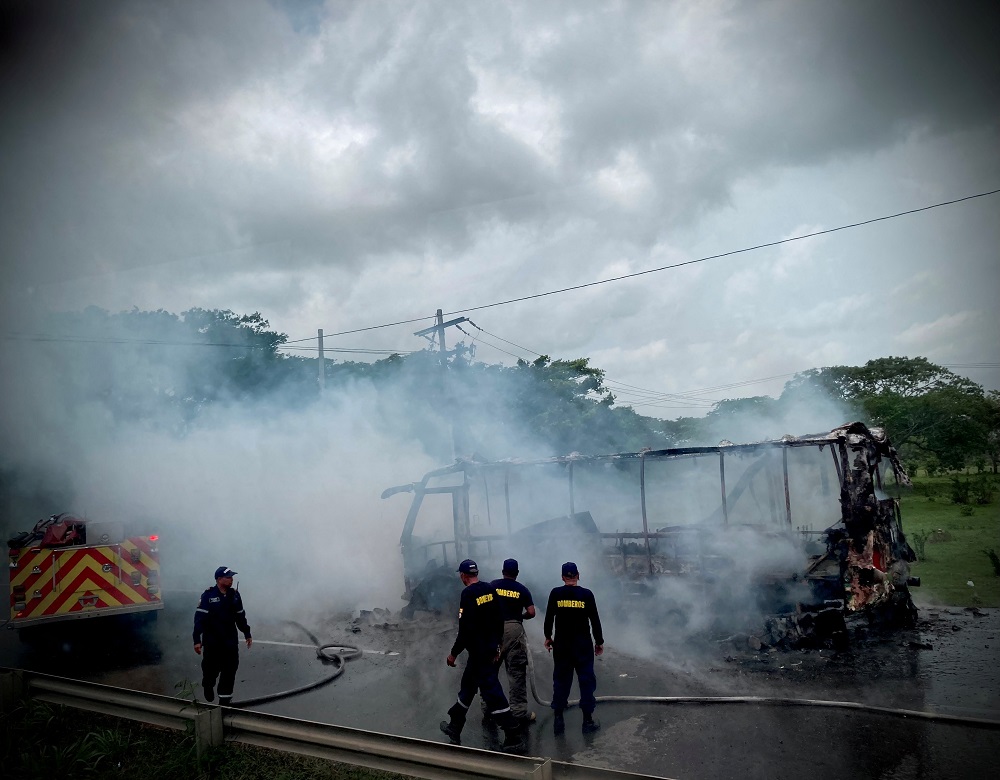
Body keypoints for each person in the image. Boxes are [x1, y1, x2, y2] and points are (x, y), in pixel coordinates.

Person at [440, 559, 525, 751]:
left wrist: (453, 654)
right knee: (468, 686)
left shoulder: (467, 594)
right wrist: (497, 647)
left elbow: (464, 630)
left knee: (492, 692)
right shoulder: (489, 589)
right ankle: (455, 725)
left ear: (463, 575)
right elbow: (498, 620)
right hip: (487, 650)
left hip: (479, 654)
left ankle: (513, 735)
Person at [543, 561, 604, 734]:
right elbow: (595, 620)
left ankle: (558, 721)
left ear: (562, 577)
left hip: (562, 645)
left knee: (561, 681)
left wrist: (548, 636)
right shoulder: (587, 595)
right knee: (586, 682)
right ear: (578, 575)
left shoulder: (556, 593)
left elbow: (549, 618)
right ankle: (587, 721)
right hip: (582, 645)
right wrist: (599, 641)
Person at [485, 558, 536, 728]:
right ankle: (519, 713)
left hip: (494, 628)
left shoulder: (492, 585)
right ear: (517, 573)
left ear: (502, 571)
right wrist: (520, 617)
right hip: (514, 629)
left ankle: (488, 710)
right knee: (516, 673)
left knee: (490, 671)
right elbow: (531, 612)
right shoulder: (522, 589)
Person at [193, 566, 252, 706]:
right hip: (212, 642)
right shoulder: (208, 596)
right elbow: (199, 619)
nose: (231, 579)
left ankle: (224, 701)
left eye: (232, 577)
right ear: (219, 579)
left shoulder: (235, 595)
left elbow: (240, 616)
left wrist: (247, 633)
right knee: (211, 669)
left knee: (230, 670)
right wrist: (196, 639)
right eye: (228, 577)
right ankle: (208, 684)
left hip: (230, 642)